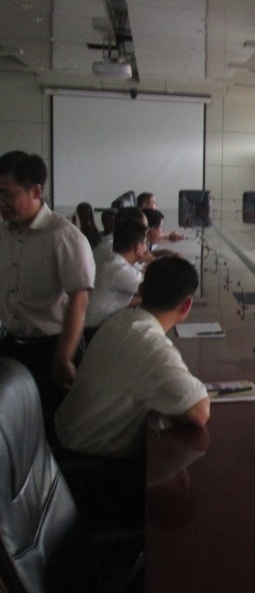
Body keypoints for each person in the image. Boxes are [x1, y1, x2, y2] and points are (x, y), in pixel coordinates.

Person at [55, 256, 210, 459]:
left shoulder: (120, 319)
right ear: (187, 305)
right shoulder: (153, 348)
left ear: (141, 290)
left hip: (65, 434)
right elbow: (199, 412)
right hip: (90, 459)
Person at [0, 151, 95, 437]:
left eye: (7, 194)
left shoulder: (63, 236)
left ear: (36, 191)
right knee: (14, 429)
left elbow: (79, 298)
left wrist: (64, 356)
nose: (1, 202)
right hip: (11, 346)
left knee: (51, 428)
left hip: (52, 348)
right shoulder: (4, 234)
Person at [84, 219, 147, 337]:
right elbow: (154, 292)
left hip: (97, 324)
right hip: (94, 331)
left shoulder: (115, 260)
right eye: (145, 243)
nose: (146, 248)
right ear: (138, 248)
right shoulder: (119, 269)